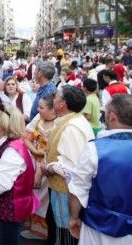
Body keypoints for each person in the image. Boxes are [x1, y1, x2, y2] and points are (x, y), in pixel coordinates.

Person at [68, 94, 132, 245]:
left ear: (113, 117)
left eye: (105, 112)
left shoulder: (95, 148)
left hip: (99, 225)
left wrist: (74, 218)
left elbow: (77, 189)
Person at [41, 85, 94, 245]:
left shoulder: (72, 128)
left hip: (65, 193)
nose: (53, 99)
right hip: (61, 190)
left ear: (62, 104)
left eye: (56, 97)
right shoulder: (71, 121)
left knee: (63, 236)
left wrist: (49, 167)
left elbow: (73, 169)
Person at [0, 104, 37, 245]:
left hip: (10, 210)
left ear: (5, 124)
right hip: (7, 208)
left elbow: (1, 184)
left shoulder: (12, 151)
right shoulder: (5, 141)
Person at [21, 94, 56, 241]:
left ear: (53, 110)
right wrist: (34, 150)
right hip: (32, 162)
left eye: (41, 107)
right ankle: (31, 226)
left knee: (43, 200)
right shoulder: (38, 119)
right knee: (31, 194)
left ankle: (40, 231)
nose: (38, 109)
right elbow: (25, 136)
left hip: (46, 167)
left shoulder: (59, 124)